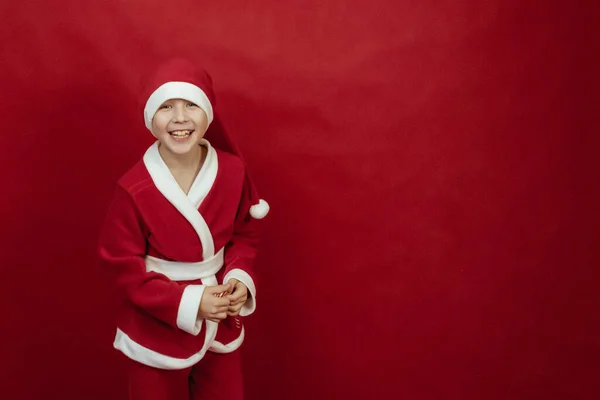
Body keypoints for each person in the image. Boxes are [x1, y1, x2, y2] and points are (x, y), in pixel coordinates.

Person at [98, 58, 269, 400]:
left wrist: (238, 279)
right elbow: (122, 266)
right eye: (166, 106)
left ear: (208, 112)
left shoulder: (234, 172)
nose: (180, 117)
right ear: (150, 117)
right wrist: (189, 303)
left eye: (191, 104)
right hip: (156, 327)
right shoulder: (134, 188)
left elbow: (243, 235)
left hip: (220, 317)